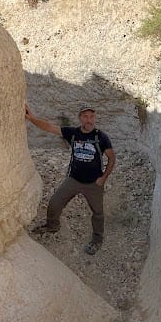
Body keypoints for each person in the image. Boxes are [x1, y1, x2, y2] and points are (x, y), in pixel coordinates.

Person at [25, 103, 115, 255]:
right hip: (73, 179)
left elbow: (111, 158)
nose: (89, 120)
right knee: (54, 203)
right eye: (85, 116)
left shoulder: (101, 137)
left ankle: (97, 239)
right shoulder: (72, 133)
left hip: (94, 183)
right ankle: (52, 226)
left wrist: (104, 178)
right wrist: (31, 118)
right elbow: (48, 127)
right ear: (80, 118)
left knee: (98, 213)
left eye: (92, 116)